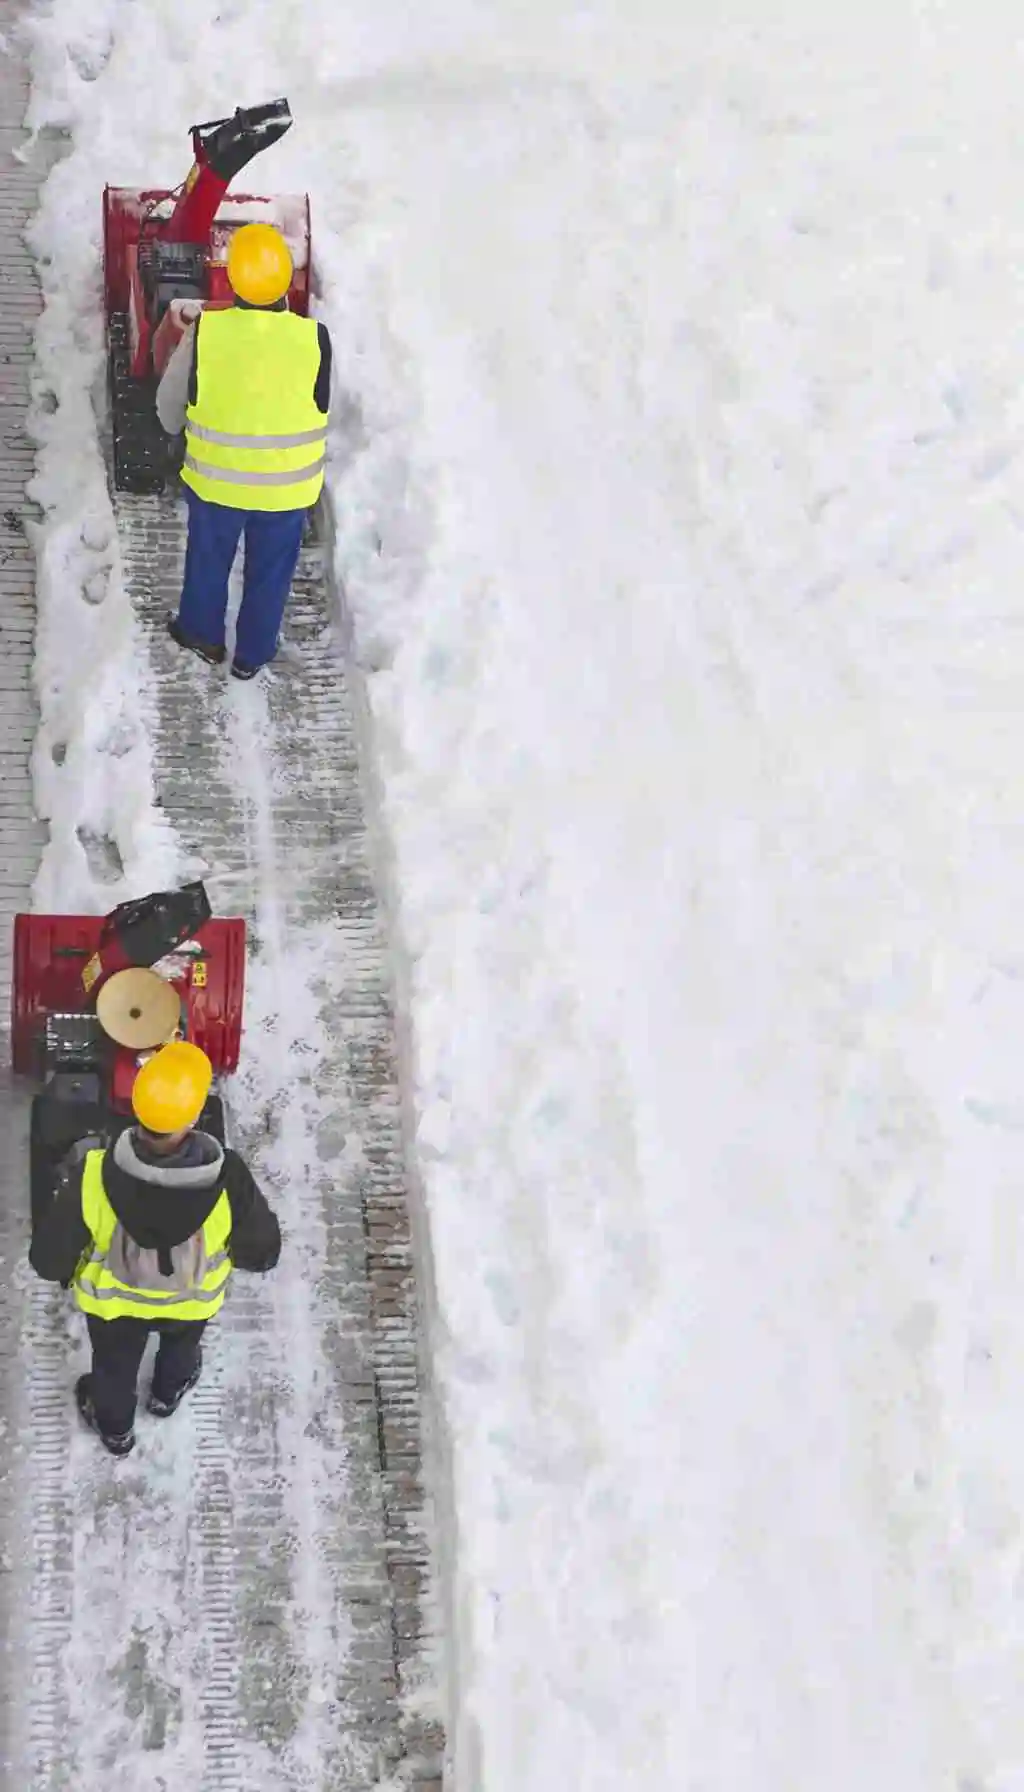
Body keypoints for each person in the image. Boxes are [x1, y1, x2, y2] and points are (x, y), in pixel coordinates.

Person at [29, 1039, 281, 1458]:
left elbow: (48, 1259)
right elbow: (263, 1252)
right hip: (190, 1302)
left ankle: (115, 1429)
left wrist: (67, 1269)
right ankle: (168, 1391)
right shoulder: (229, 1178)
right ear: (196, 1114)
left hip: (113, 1309)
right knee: (182, 1347)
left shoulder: (93, 1175)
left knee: (113, 1366)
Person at [156, 221, 332, 680]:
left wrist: (173, 429)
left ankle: (202, 634)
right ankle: (253, 654)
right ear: (285, 283)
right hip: (287, 490)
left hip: (218, 481)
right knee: (270, 574)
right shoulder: (316, 340)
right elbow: (319, 404)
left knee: (209, 561)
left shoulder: (207, 332)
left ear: (231, 278)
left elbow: (169, 403)